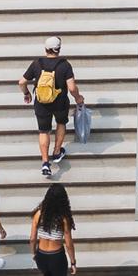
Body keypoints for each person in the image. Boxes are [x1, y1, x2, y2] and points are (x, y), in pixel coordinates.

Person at [19, 36, 83, 176]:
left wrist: (26, 94)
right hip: (59, 102)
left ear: (45, 49)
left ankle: (45, 163)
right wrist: (78, 98)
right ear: (59, 49)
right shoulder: (65, 65)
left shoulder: (37, 63)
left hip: (41, 102)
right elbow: (71, 88)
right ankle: (57, 151)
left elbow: (21, 82)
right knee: (61, 123)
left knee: (44, 131)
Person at [30, 182, 77, 276]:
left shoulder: (39, 213)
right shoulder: (63, 218)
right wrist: (73, 262)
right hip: (57, 256)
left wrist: (34, 254)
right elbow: (68, 244)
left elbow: (32, 238)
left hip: (42, 255)